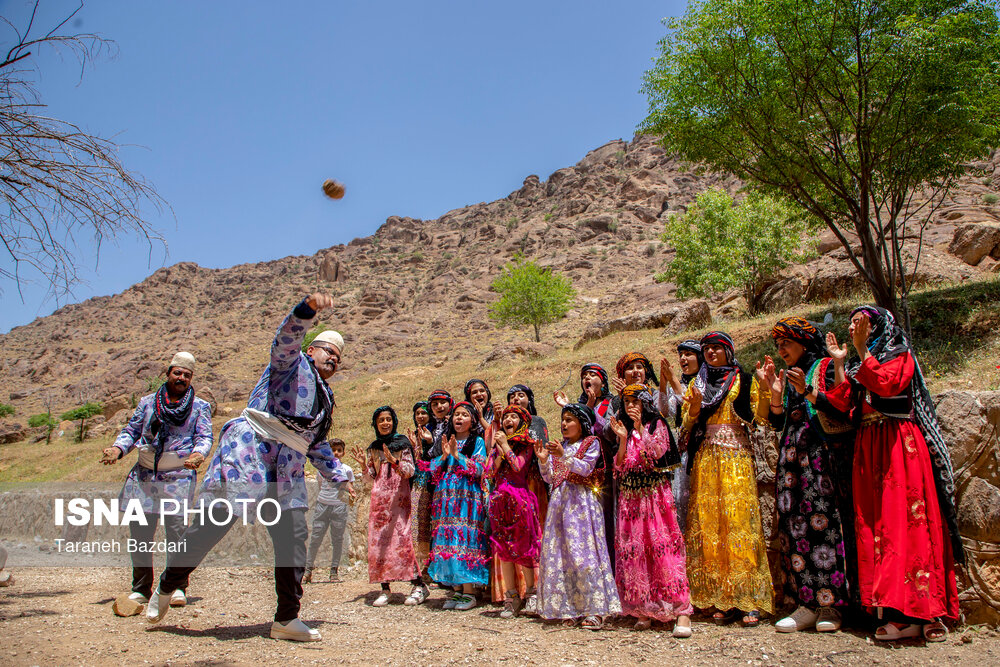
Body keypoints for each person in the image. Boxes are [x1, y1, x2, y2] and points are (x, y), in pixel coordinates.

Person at [145, 293, 350, 643]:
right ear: (311, 350)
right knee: (212, 527)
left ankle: (286, 618)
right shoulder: (290, 363)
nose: (332, 358)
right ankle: (168, 583)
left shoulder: (325, 398)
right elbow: (285, 337)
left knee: (294, 538)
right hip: (250, 452)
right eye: (326, 350)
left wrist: (337, 475)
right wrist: (307, 310)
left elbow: (314, 442)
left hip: (287, 467)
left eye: (338, 356)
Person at [823, 307, 961, 642]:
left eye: (861, 322)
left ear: (879, 324)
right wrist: (841, 363)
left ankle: (927, 612)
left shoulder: (900, 355)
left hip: (899, 444)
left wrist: (860, 351)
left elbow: (887, 385)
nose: (855, 327)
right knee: (878, 526)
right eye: (853, 323)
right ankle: (895, 614)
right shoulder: (860, 361)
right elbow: (843, 402)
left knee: (907, 522)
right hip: (869, 447)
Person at [762, 317, 854, 633]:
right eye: (778, 344)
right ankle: (806, 603)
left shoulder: (826, 367)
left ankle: (831, 605)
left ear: (804, 342)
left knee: (824, 524)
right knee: (794, 526)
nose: (781, 349)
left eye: (786, 342)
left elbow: (842, 406)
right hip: (792, 458)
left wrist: (808, 390)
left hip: (820, 457)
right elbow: (776, 423)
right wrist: (774, 393)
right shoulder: (789, 376)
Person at [100, 351, 213, 608]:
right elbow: (131, 431)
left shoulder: (200, 407)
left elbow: (205, 437)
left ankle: (176, 587)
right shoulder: (148, 402)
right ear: (168, 373)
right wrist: (117, 450)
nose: (182, 378)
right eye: (177, 373)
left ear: (191, 377)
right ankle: (140, 588)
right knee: (140, 534)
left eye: (187, 374)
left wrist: (199, 454)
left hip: (179, 476)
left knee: (176, 533)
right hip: (144, 476)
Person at [680, 331, 773, 627]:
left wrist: (767, 388)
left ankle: (748, 600)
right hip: (707, 458)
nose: (710, 353)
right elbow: (686, 423)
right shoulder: (698, 383)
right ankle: (721, 597)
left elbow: (760, 417)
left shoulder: (743, 379)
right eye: (706, 349)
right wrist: (693, 409)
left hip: (736, 458)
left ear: (728, 351)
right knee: (711, 524)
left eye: (716, 348)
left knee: (738, 523)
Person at [608, 384, 693, 635]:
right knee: (636, 551)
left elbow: (658, 454)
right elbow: (620, 465)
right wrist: (623, 438)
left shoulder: (658, 424)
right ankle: (644, 608)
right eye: (626, 403)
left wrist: (639, 430)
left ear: (645, 402)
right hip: (631, 498)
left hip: (654, 497)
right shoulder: (623, 429)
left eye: (635, 402)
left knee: (662, 548)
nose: (630, 407)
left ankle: (681, 610)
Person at [536, 403, 621, 629]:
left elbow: (585, 469)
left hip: (581, 505)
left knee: (584, 554)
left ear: (582, 423)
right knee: (563, 555)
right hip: (560, 504)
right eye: (563, 420)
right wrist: (544, 461)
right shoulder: (560, 446)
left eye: (570, 420)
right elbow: (551, 478)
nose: (564, 424)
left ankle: (594, 609)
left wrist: (564, 456)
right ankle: (569, 606)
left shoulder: (591, 443)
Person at [355, 406, 427, 607]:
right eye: (381, 420)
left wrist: (394, 461)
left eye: (388, 419)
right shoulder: (374, 448)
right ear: (375, 424)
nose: (385, 423)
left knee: (403, 542)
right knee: (380, 545)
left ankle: (419, 585)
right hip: (379, 505)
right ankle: (385, 588)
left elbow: (409, 471)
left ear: (393, 421)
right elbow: (370, 480)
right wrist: (363, 466)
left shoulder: (402, 443)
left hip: (399, 502)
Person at [426, 401, 490, 610]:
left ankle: (469, 592)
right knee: (448, 541)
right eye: (456, 415)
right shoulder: (444, 442)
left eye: (464, 415)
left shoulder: (478, 442)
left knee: (464, 541)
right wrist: (444, 456)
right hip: (445, 501)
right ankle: (456, 591)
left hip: (467, 501)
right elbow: (432, 471)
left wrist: (457, 456)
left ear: (472, 421)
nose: (459, 418)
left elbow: (480, 469)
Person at [553, 363, 616, 566]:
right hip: (578, 474)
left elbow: (608, 432)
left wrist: (589, 411)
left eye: (592, 375)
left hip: (604, 466)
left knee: (606, 516)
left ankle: (608, 565)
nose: (587, 378)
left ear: (603, 381)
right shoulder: (581, 403)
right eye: (584, 376)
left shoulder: (611, 402)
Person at [487, 405, 543, 618]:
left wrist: (505, 446)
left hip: (520, 500)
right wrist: (499, 452)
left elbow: (519, 466)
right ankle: (511, 597)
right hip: (500, 502)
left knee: (525, 548)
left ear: (523, 422)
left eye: (514, 417)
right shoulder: (496, 448)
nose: (509, 420)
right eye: (506, 416)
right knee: (504, 550)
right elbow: (490, 473)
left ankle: (531, 593)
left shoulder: (525, 445)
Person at [659, 340, 703, 532]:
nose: (683, 358)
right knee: (680, 498)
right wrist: (664, 382)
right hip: (682, 447)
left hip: (700, 445)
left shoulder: (704, 381)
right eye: (681, 355)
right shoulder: (680, 382)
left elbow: (689, 403)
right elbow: (665, 411)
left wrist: (673, 380)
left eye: (689, 354)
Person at [303, 438, 356, 584]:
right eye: (333, 450)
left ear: (343, 452)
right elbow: (321, 485)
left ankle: (334, 572)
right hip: (323, 505)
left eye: (339, 450)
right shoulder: (322, 468)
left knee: (337, 540)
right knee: (315, 538)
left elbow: (349, 487)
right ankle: (308, 571)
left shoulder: (347, 470)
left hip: (339, 507)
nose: (336, 453)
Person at [409, 401, 434, 576]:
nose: (420, 416)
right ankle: (421, 566)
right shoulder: (412, 435)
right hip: (417, 482)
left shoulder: (437, 432)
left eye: (424, 413)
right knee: (419, 524)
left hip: (433, 480)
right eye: (417, 413)